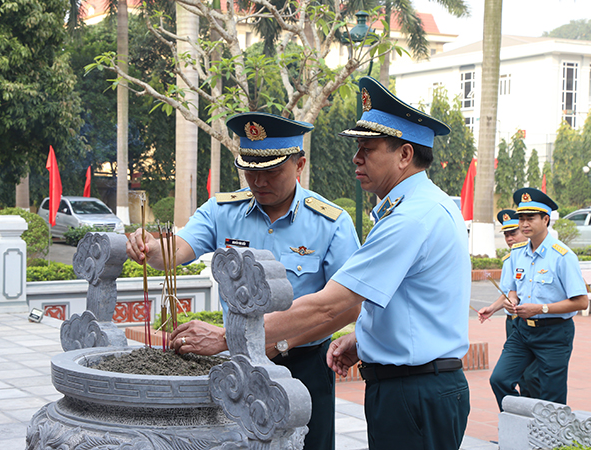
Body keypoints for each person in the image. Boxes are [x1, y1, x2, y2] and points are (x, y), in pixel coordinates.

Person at [258, 76, 471, 450]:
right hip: (414, 385)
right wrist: (364, 340)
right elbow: (416, 302)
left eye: (368, 148)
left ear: (405, 155)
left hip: (413, 390)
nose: (356, 158)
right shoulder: (420, 207)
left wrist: (233, 337)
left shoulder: (411, 218)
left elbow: (331, 305)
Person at [126, 112, 361, 450]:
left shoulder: (331, 223)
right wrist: (149, 246)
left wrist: (278, 344)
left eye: (271, 171)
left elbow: (348, 307)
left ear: (300, 165)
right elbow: (175, 250)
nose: (259, 181)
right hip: (236, 367)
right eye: (250, 170)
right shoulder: (222, 210)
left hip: (303, 366)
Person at [489, 188, 589, 409]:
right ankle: (523, 422)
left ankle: (549, 440)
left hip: (554, 333)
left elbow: (582, 302)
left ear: (545, 219)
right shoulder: (517, 253)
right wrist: (512, 300)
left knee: (551, 397)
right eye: (521, 218)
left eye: (530, 218)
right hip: (523, 331)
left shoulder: (562, 256)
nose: (524, 223)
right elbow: (513, 289)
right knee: (499, 379)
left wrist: (541, 309)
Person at [478, 209, 539, 397]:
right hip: (513, 321)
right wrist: (493, 308)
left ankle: (535, 419)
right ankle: (519, 416)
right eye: (506, 234)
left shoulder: (537, 256)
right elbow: (508, 293)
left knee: (532, 376)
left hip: (535, 321)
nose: (509, 238)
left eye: (513, 232)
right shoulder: (509, 259)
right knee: (514, 376)